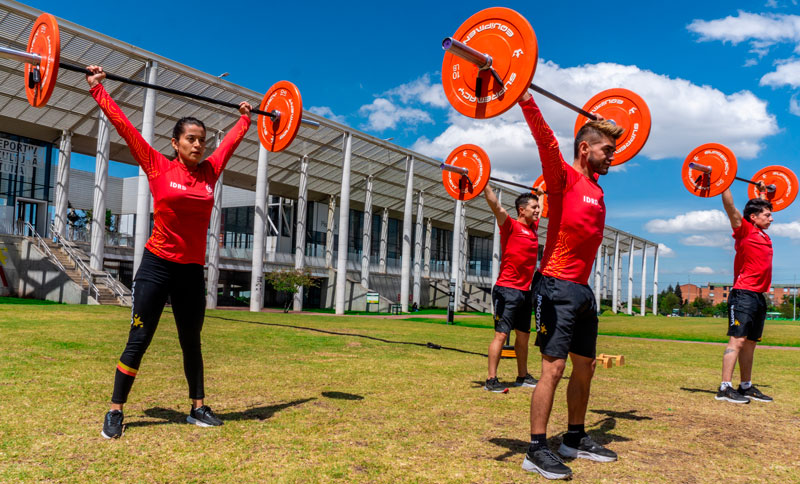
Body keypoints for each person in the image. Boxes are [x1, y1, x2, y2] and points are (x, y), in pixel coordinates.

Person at [85, 66, 253, 439]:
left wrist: (245, 119)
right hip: (157, 266)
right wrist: (98, 89)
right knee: (139, 338)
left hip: (191, 271)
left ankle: (197, 408)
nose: (198, 145)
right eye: (191, 139)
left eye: (202, 140)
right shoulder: (157, 165)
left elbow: (230, 144)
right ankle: (115, 410)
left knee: (191, 341)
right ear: (175, 143)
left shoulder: (210, 172)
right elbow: (125, 128)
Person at [517, 90, 624, 480]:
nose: (613, 156)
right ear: (584, 148)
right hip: (556, 285)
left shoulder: (596, 188)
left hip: (582, 290)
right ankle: (535, 449)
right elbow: (546, 141)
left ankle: (574, 438)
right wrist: (524, 97)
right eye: (607, 150)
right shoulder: (562, 179)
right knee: (554, 367)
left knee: (586, 366)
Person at [715, 184, 773, 404]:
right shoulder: (744, 229)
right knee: (737, 341)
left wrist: (762, 192)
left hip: (758, 296)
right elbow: (730, 207)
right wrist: (723, 182)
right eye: (767, 215)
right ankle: (725, 387)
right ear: (753, 217)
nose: (771, 219)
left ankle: (746, 386)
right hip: (743, 294)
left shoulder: (762, 234)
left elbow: (760, 205)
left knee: (750, 343)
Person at [483, 184, 541, 393]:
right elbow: (495, 205)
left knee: (523, 336)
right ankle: (491, 380)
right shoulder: (510, 225)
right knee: (501, 335)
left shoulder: (533, 228)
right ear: (521, 210)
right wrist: (483, 183)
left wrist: (539, 194)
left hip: (525, 292)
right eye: (534, 207)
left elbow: (542, 202)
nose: (538, 210)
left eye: (538, 207)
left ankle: (522, 376)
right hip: (507, 289)